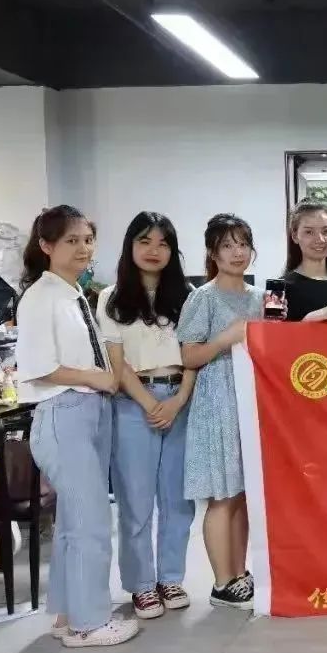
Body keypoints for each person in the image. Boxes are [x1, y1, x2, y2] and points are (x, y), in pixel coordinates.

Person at [15, 205, 139, 648]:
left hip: (88, 412)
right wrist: (95, 377)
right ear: (46, 246)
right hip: (64, 411)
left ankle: (69, 614)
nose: (83, 248)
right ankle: (90, 624)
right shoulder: (40, 297)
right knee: (91, 523)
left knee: (74, 522)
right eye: (71, 240)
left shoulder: (72, 294)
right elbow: (38, 367)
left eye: (88, 239)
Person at [97, 212, 197, 622]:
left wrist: (178, 400)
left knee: (178, 500)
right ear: (130, 246)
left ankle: (170, 577)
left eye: (163, 243)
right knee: (136, 501)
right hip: (132, 403)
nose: (154, 250)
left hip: (181, 400)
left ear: (173, 251)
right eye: (145, 241)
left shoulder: (189, 296)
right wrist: (148, 403)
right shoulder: (111, 298)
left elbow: (194, 355)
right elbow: (115, 362)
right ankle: (141, 584)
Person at [177, 213, 264, 610]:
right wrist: (227, 338)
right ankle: (221, 582)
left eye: (242, 244)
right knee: (222, 495)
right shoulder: (203, 297)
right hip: (217, 403)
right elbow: (189, 356)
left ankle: (240, 573)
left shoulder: (260, 297)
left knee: (243, 493)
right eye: (227, 245)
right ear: (213, 253)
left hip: (252, 402)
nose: (237, 252)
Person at [283, 199, 327, 323]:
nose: (320, 239)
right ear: (295, 236)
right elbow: (275, 334)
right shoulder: (283, 289)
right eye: (309, 232)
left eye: (326, 231)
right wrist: (307, 322)